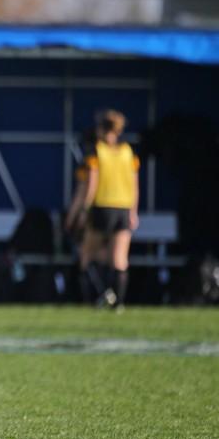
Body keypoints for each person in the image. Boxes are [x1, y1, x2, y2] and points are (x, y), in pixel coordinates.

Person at [82, 109, 139, 310]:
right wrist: (133, 211)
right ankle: (120, 303)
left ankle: (103, 293)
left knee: (87, 255)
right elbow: (134, 184)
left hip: (102, 206)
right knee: (119, 259)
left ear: (101, 129)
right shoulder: (127, 152)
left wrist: (84, 209)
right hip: (124, 208)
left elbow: (92, 183)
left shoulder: (96, 151)